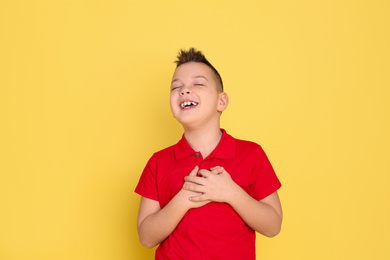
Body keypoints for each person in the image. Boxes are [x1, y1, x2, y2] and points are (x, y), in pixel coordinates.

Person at [135, 48, 282, 260]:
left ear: (221, 101)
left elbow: (273, 225)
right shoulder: (158, 162)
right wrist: (183, 199)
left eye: (198, 83)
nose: (184, 91)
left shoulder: (251, 154)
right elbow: (146, 238)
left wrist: (231, 193)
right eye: (177, 87)